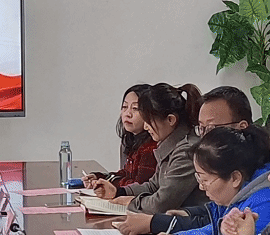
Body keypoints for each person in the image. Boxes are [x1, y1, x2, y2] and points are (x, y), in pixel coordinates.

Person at [117, 86, 258, 235]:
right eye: (201, 128)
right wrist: (185, 217)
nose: (203, 137)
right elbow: (214, 214)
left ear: (241, 128)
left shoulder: (259, 186)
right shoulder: (228, 164)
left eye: (211, 128)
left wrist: (157, 223)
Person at [152, 126, 270, 235]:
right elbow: (217, 229)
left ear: (235, 178)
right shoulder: (238, 196)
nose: (201, 186)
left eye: (205, 180)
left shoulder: (265, 205)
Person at [84, 83, 204, 214]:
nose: (146, 127)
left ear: (170, 120)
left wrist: (132, 202)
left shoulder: (186, 151)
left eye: (149, 121)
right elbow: (153, 186)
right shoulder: (169, 145)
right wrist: (118, 192)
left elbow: (161, 204)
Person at [103, 84, 156, 188]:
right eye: (124, 107)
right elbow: (127, 174)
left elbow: (138, 185)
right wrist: (100, 178)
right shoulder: (131, 140)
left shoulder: (150, 148)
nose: (128, 114)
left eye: (135, 108)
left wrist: (111, 183)